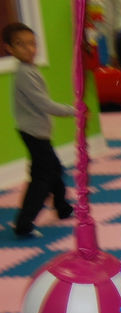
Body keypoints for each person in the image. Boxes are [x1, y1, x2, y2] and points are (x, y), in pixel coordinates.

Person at [3, 22, 76, 239]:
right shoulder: (25, 74)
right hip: (34, 134)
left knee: (53, 169)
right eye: (21, 45)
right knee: (42, 179)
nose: (29, 49)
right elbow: (44, 104)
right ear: (10, 49)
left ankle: (62, 207)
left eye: (32, 44)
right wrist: (74, 110)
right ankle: (24, 224)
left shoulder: (29, 70)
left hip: (37, 132)